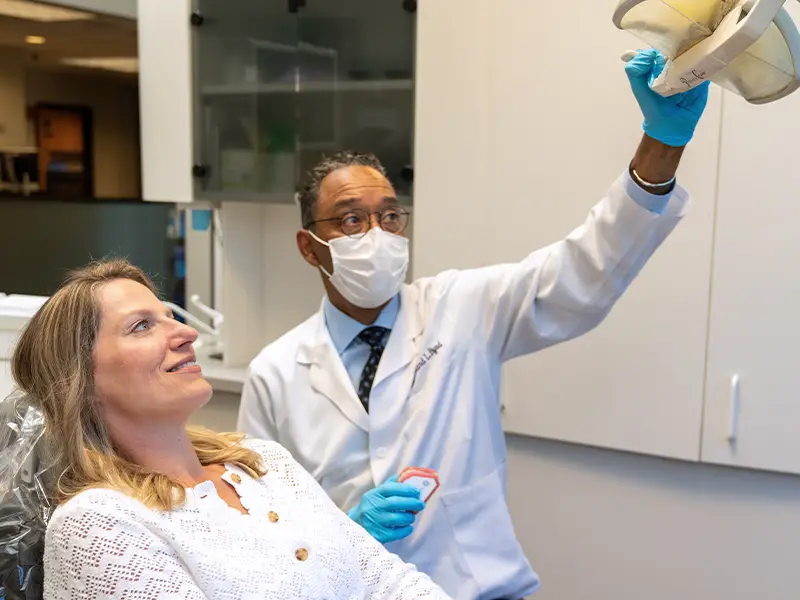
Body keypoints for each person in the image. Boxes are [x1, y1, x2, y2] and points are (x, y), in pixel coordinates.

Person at [237, 49, 710, 600]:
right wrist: (343, 526)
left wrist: (664, 141)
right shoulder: (275, 373)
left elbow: (585, 268)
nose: (378, 234)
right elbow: (257, 523)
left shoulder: (462, 306)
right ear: (309, 247)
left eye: (390, 215)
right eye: (350, 219)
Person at [9, 259, 451, 600]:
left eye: (169, 316)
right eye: (142, 326)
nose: (184, 332)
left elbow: (388, 582)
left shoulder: (265, 464)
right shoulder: (98, 523)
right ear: (81, 379)